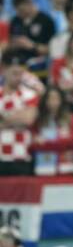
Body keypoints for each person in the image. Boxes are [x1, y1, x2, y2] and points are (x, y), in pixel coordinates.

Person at [0, 48, 39, 176]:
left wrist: (3, 117)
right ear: (4, 71)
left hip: (21, 154)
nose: (17, 77)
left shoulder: (29, 95)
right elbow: (23, 118)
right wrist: (18, 116)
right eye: (14, 73)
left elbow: (28, 119)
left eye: (20, 73)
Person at [31, 87, 73, 176]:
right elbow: (34, 144)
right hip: (44, 167)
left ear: (61, 100)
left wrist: (46, 143)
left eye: (56, 98)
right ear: (45, 101)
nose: (53, 101)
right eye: (50, 98)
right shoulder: (38, 120)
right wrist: (61, 142)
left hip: (66, 166)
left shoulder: (71, 118)